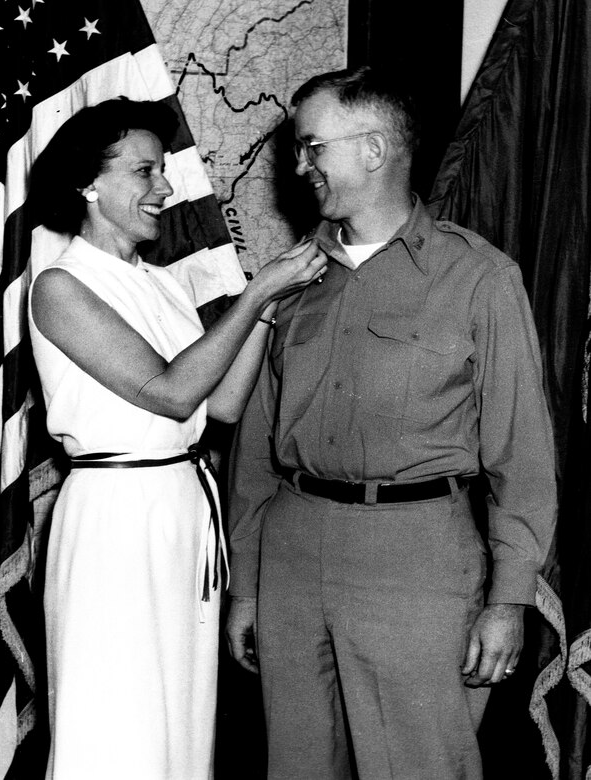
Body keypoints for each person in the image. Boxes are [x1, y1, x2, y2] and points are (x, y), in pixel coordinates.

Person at [225, 66, 557, 779]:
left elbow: (520, 456)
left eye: (312, 147)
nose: (298, 164)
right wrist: (248, 586)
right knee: (299, 766)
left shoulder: (479, 278)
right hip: (291, 551)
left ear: (373, 150)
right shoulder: (291, 279)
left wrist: (510, 599)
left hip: (416, 560)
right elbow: (253, 448)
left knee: (420, 767)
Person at [27, 97, 326, 780]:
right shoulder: (61, 287)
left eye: (162, 171)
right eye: (145, 172)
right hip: (116, 516)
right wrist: (252, 298)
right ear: (88, 184)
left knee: (178, 720)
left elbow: (218, 405)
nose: (164, 189)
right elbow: (168, 392)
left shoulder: (159, 283)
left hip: (180, 510)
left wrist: (267, 308)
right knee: (116, 716)